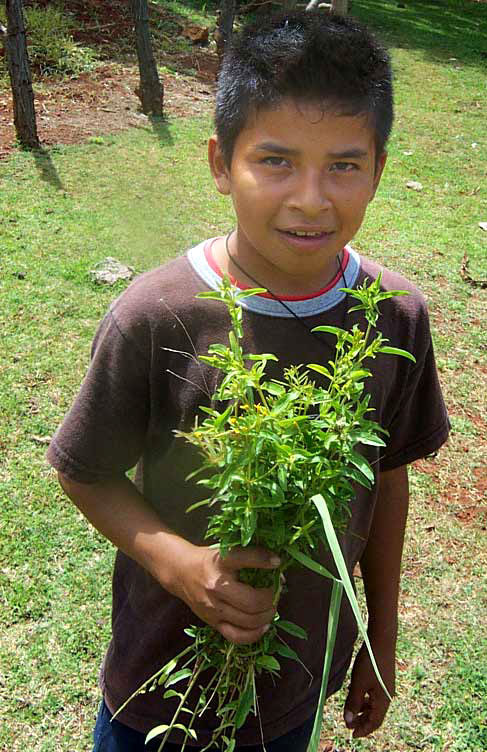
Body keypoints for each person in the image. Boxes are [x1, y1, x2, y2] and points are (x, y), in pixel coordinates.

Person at [47, 10, 450, 752]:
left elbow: (384, 478)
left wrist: (376, 639)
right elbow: (84, 471)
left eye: (343, 163)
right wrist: (183, 566)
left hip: (294, 684)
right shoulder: (156, 313)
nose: (309, 198)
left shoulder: (392, 316)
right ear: (218, 161)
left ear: (378, 168)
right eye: (274, 160)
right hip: (157, 686)